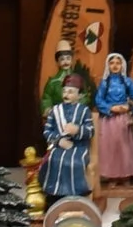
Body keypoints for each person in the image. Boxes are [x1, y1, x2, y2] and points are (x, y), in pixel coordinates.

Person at [41, 63, 96, 204]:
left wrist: (77, 130)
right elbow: (47, 130)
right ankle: (54, 195)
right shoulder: (55, 110)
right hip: (59, 146)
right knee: (54, 160)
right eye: (65, 91)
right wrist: (58, 141)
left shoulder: (84, 111)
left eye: (71, 92)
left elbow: (90, 131)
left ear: (79, 94)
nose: (66, 95)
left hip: (79, 146)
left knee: (73, 162)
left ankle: (77, 195)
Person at [93, 53, 133, 193]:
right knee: (111, 148)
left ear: (122, 65)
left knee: (126, 148)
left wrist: (128, 106)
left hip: (125, 120)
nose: (115, 65)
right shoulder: (105, 83)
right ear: (108, 66)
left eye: (118, 62)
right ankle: (112, 177)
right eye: (112, 63)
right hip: (110, 121)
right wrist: (111, 108)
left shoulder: (128, 82)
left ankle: (126, 176)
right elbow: (99, 100)